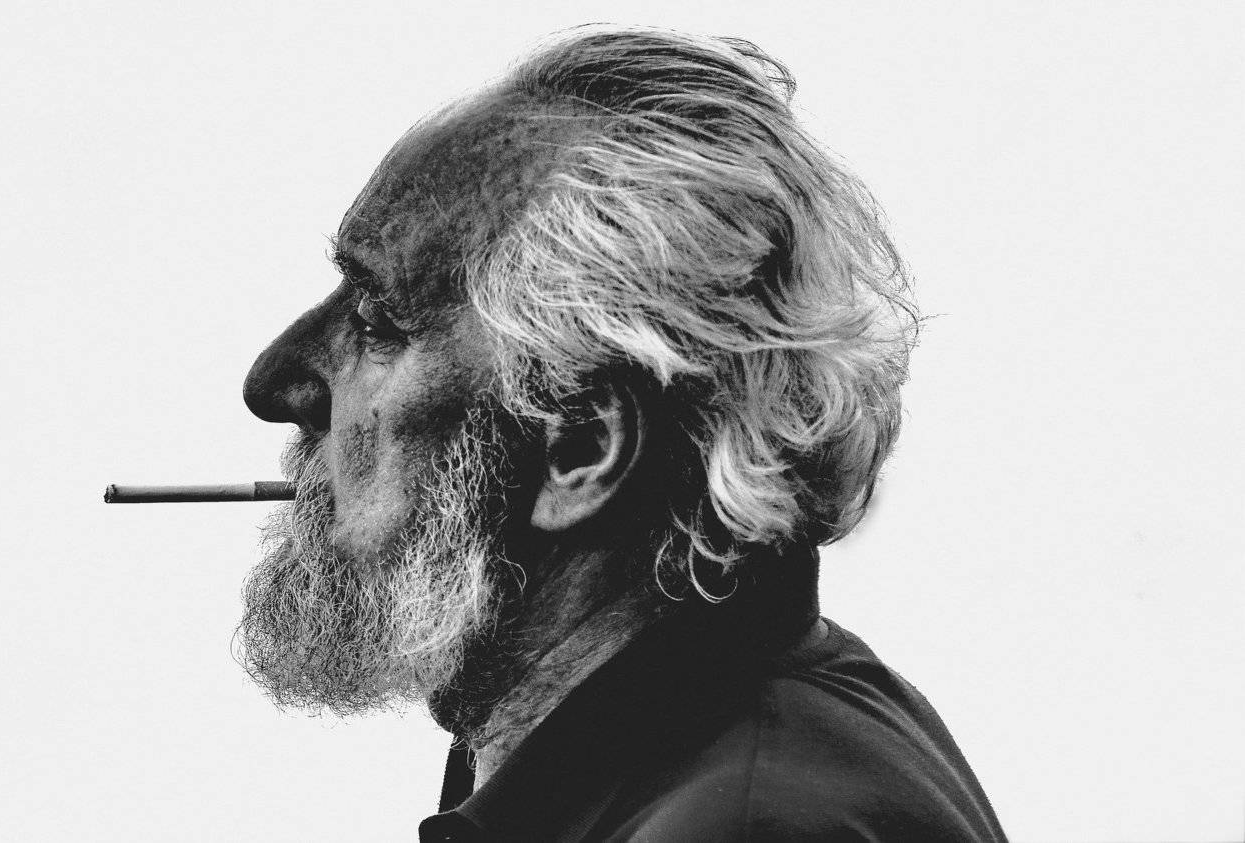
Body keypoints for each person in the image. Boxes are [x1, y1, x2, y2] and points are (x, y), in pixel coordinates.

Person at [236, 24, 1006, 842]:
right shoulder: (677, 744)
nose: (274, 381)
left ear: (579, 446)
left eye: (376, 319)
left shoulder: (750, 826)